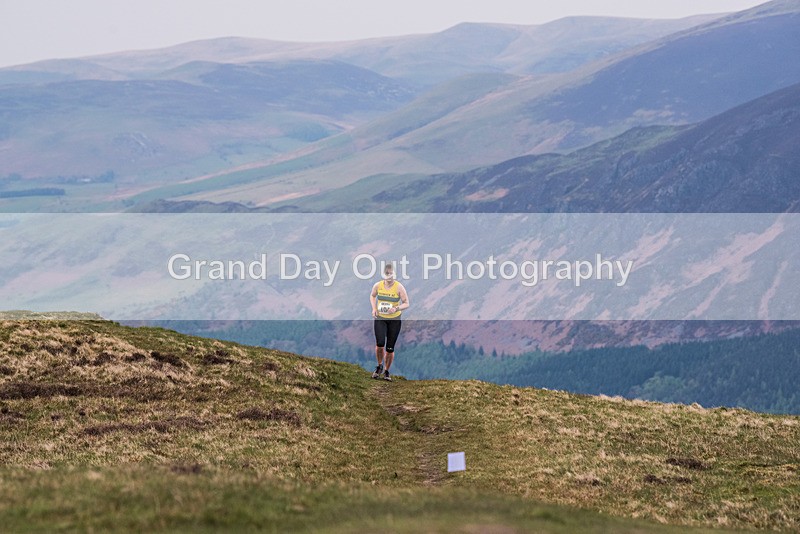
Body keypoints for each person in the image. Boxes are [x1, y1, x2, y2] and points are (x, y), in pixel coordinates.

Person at [370, 262, 409, 381]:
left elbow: (406, 303)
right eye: (387, 273)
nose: (389, 275)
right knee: (380, 344)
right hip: (380, 318)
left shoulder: (399, 287)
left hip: (394, 320)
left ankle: (387, 371)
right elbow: (372, 296)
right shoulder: (378, 285)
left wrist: (396, 308)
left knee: (390, 348)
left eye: (391, 273)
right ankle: (379, 366)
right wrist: (374, 308)